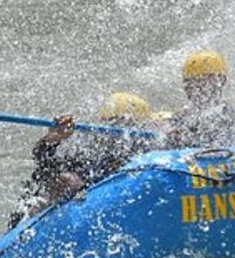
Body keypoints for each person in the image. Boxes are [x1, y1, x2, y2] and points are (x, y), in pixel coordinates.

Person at [12, 92, 154, 224]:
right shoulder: (90, 153)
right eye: (116, 124)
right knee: (69, 180)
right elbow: (44, 163)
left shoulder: (146, 157)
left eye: (131, 126)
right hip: (39, 218)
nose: (124, 138)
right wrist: (52, 140)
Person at [164, 50, 235, 148]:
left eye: (206, 81)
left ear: (221, 82)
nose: (200, 88)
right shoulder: (180, 119)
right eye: (194, 82)